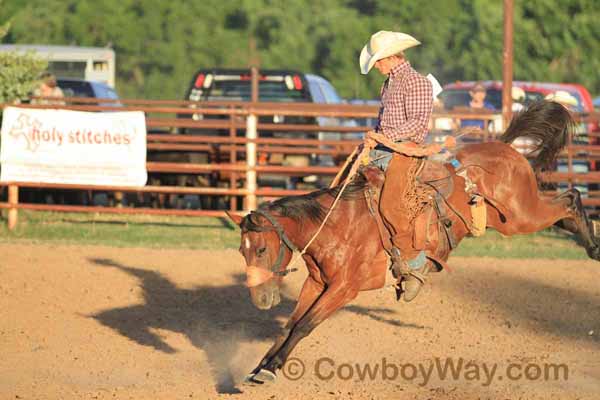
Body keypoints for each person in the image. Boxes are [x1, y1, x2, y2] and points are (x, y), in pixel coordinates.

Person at [359, 30, 433, 302]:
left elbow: (416, 124)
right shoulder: (388, 84)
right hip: (384, 148)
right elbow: (384, 123)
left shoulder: (417, 83)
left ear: (391, 57)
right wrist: (372, 139)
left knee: (391, 204)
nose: (376, 66)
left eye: (379, 61)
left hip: (406, 150)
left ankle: (416, 264)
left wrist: (383, 137)